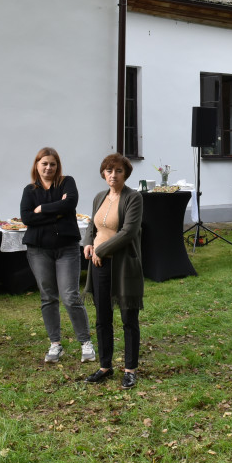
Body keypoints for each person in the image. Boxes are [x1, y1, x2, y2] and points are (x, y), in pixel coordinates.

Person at [20, 147, 95, 364]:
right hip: (38, 249)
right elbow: (27, 218)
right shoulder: (29, 190)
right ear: (37, 165)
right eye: (44, 163)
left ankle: (85, 342)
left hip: (67, 248)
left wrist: (42, 208)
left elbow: (70, 204)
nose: (48, 167)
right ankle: (55, 344)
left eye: (52, 164)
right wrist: (57, 212)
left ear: (57, 165)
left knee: (70, 296)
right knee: (48, 296)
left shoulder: (66, 182)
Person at [83, 153, 144, 388]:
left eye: (118, 171)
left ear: (125, 174)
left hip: (124, 264)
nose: (113, 175)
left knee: (129, 317)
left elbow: (128, 232)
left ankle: (130, 369)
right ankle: (105, 366)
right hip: (99, 265)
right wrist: (89, 243)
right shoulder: (100, 197)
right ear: (103, 173)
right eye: (109, 171)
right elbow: (92, 224)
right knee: (102, 317)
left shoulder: (134, 198)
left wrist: (101, 249)